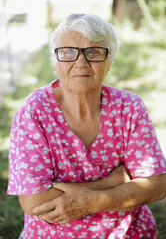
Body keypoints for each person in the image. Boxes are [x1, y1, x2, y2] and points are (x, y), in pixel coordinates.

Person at [7, 13, 166, 239]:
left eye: (93, 52)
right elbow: (35, 202)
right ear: (56, 60)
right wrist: (114, 182)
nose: (81, 62)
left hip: (127, 233)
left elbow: (157, 185)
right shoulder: (35, 112)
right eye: (68, 52)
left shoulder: (129, 107)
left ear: (109, 61)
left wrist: (90, 201)